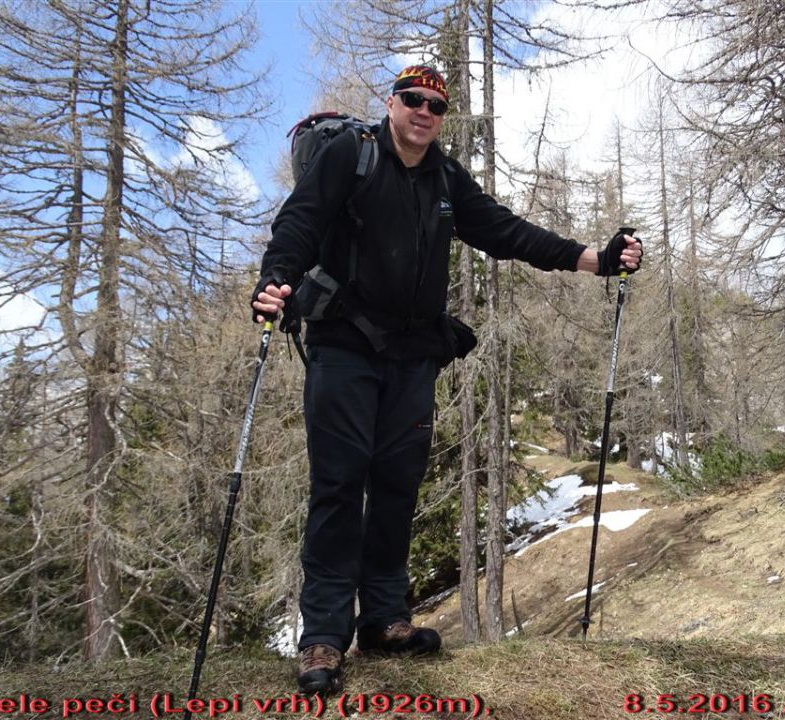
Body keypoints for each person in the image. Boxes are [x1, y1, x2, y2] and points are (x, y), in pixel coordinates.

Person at [252, 65, 642, 694]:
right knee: (339, 484)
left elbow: (504, 231)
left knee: (398, 482)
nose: (425, 111)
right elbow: (300, 221)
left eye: (437, 104)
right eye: (414, 100)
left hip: (412, 354)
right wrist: (277, 280)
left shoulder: (445, 177)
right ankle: (324, 635)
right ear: (392, 104)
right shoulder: (354, 155)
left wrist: (593, 259)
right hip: (344, 346)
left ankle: (384, 620)